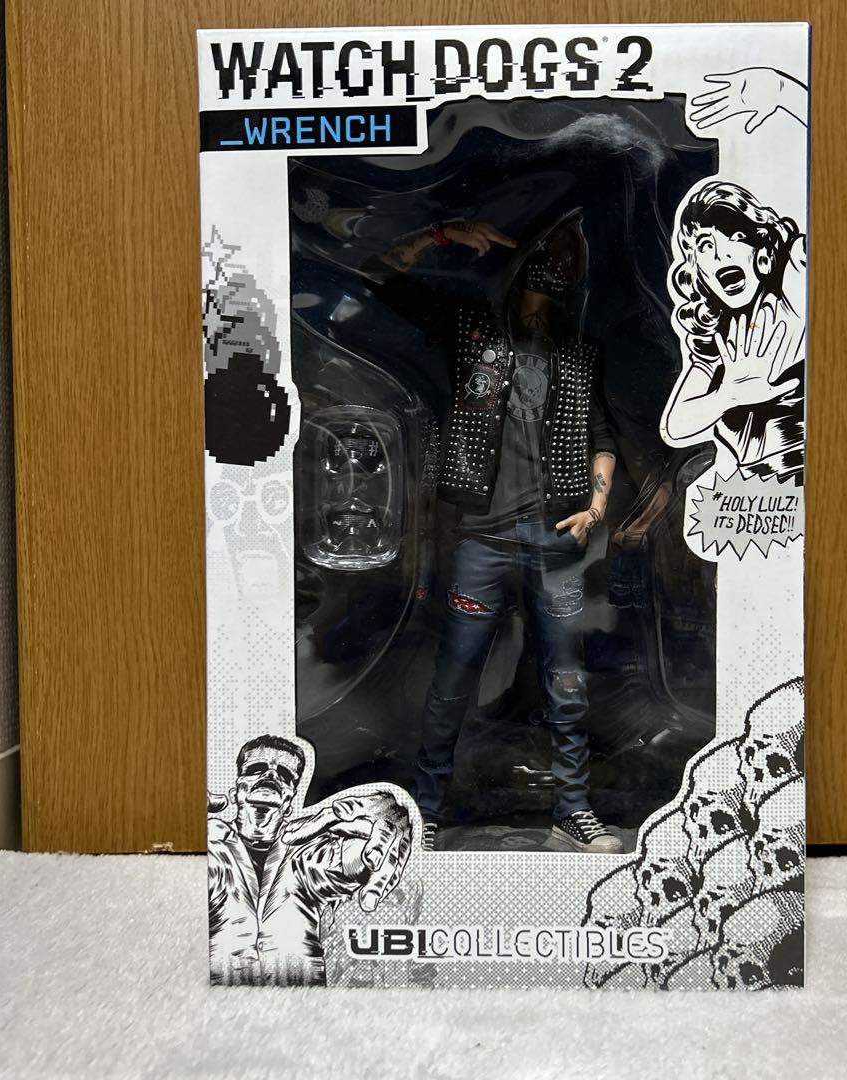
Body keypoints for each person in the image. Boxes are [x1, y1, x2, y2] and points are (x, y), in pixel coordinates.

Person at [354, 209, 624, 854]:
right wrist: (439, 235)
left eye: (568, 263)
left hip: (557, 541)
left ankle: (573, 810)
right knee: (453, 681)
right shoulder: (472, 329)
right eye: (548, 257)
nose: (555, 273)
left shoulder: (578, 353)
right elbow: (377, 276)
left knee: (566, 683)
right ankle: (424, 811)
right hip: (483, 539)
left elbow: (604, 436)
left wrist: (595, 509)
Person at [208, 733, 412, 985]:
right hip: (220, 1001)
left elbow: (354, 859)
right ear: (236, 791)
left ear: (289, 800)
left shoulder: (306, 849)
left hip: (304, 1003)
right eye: (256, 769)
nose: (270, 775)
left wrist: (378, 830)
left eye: (284, 775)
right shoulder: (213, 842)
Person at [662, 182, 806, 484]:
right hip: (750, 500)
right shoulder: (714, 339)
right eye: (705, 245)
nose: (720, 254)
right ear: (697, 270)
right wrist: (728, 395)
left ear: (761, 250)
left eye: (736, 236)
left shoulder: (790, 293)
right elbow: (676, 426)